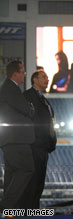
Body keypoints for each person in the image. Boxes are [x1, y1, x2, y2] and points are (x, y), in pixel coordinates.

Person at [0, 61, 35, 210]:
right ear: (16, 73)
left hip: (11, 139)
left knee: (12, 174)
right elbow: (27, 109)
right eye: (23, 71)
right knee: (26, 169)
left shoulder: (8, 88)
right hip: (17, 139)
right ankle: (6, 206)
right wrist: (31, 108)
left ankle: (9, 211)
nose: (25, 74)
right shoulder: (10, 88)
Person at [20, 70, 57, 209]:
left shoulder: (44, 99)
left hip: (43, 148)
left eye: (47, 77)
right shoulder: (27, 96)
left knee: (38, 185)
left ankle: (34, 212)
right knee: (31, 185)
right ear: (34, 80)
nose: (47, 79)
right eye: (44, 77)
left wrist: (51, 142)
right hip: (33, 147)